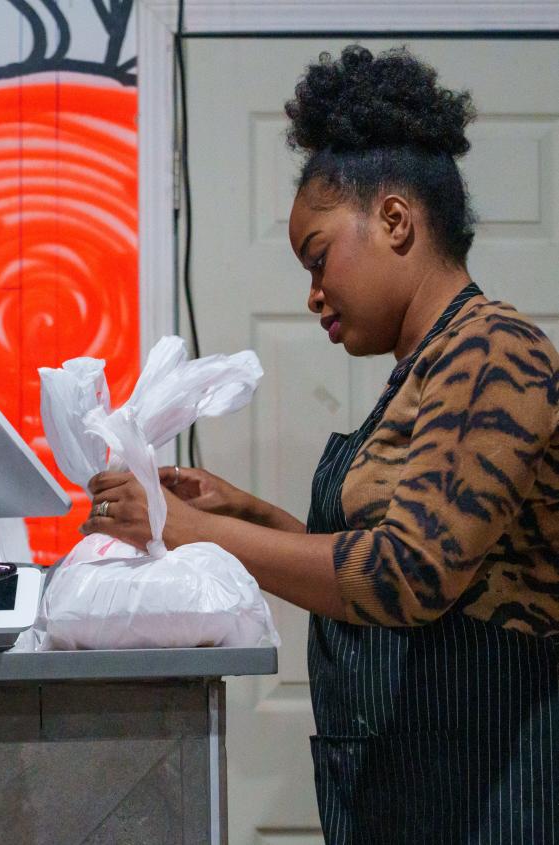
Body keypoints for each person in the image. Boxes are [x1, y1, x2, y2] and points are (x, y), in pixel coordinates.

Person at [84, 45, 559, 843]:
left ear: (394, 220)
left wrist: (191, 530)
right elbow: (377, 556)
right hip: (420, 781)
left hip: (490, 790)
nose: (312, 296)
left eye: (318, 259)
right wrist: (246, 513)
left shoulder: (491, 353)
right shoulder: (426, 367)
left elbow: (405, 579)